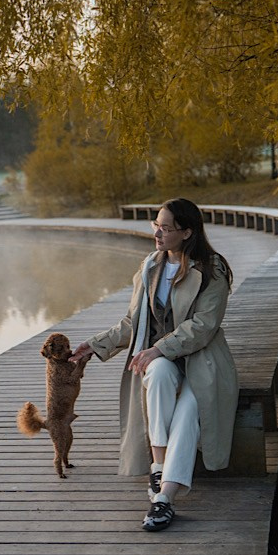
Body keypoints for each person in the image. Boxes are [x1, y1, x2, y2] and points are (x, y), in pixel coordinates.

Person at [71, 199, 238, 532]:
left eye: (165, 228)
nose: (157, 233)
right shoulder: (150, 266)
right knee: (157, 372)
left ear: (187, 232)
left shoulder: (212, 269)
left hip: (202, 362)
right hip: (164, 361)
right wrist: (97, 344)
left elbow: (203, 326)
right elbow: (135, 321)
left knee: (190, 410)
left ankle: (164, 498)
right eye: (155, 225)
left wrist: (159, 348)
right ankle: (159, 464)